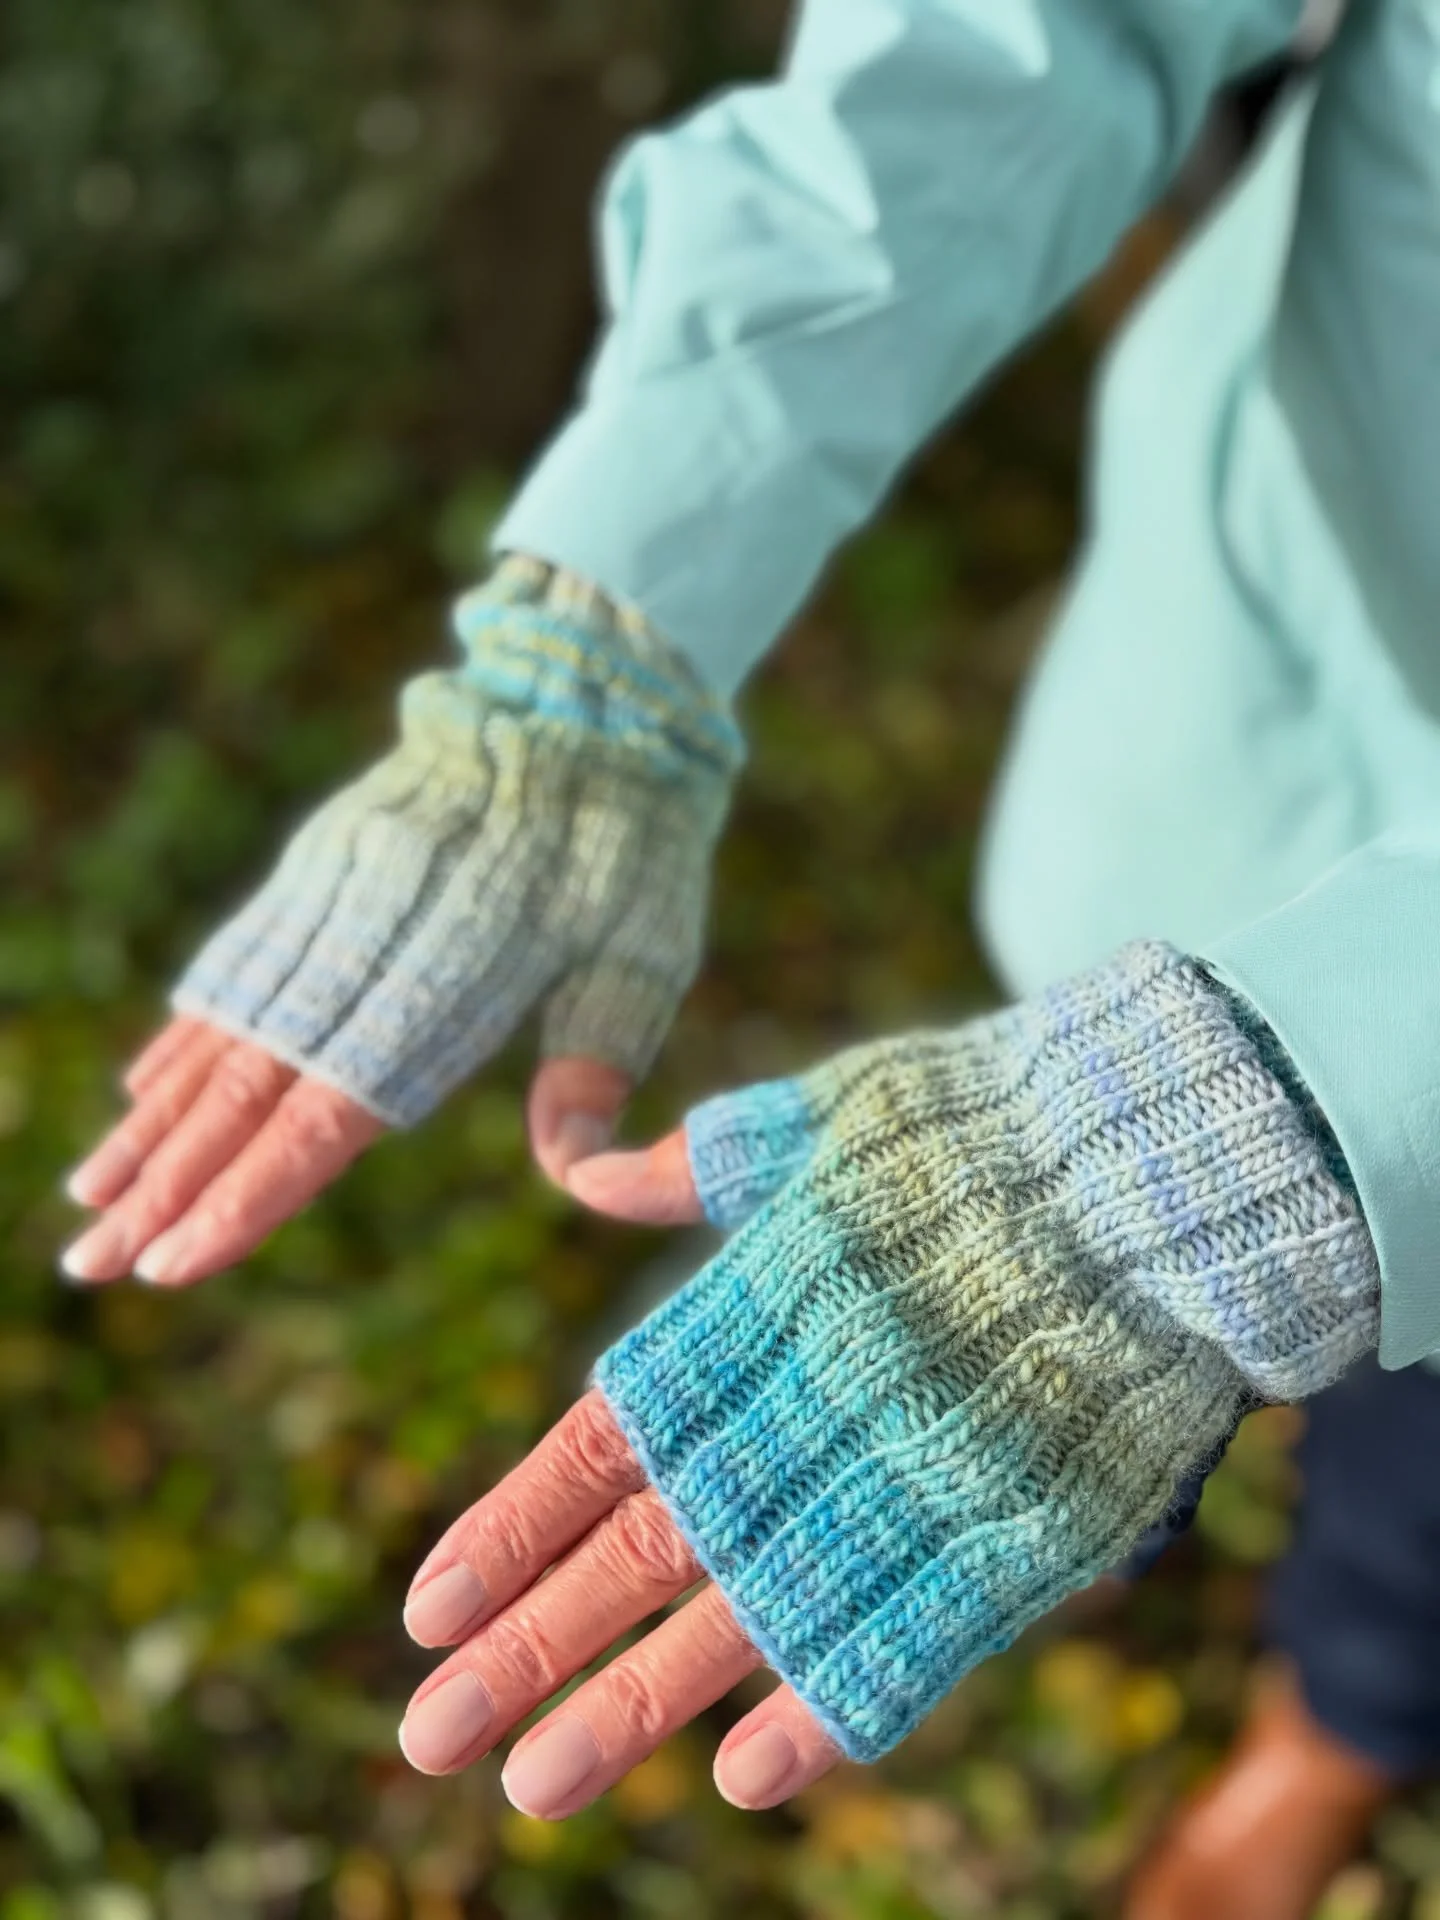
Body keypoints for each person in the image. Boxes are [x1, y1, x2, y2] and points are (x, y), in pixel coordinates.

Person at [58, 1, 1440, 1913]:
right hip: (1282, 679)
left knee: (1423, 1482)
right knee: (1010, 1380)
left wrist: (1331, 1099)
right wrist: (612, 624)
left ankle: (1342, 1723)